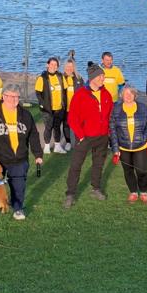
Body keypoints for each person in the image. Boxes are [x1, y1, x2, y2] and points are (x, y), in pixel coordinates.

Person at [0, 83, 43, 222]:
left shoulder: (25, 115)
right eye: (10, 97)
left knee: (19, 185)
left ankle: (18, 208)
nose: (13, 100)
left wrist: (38, 154)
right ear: (3, 96)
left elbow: (33, 135)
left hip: (18, 158)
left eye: (16, 97)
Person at [65, 63, 114, 207]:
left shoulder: (106, 94)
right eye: (100, 76)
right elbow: (72, 118)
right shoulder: (80, 94)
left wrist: (109, 132)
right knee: (76, 165)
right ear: (92, 78)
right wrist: (80, 136)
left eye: (103, 76)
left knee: (98, 164)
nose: (102, 78)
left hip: (102, 136)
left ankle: (96, 188)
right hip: (85, 136)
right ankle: (70, 194)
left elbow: (110, 115)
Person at [109, 85, 147, 202]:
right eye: (125, 94)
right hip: (123, 147)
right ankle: (133, 192)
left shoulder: (143, 108)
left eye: (131, 94)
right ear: (122, 96)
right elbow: (112, 129)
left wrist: (144, 137)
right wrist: (115, 148)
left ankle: (143, 192)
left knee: (141, 171)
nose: (128, 96)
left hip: (140, 146)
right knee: (128, 171)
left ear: (135, 95)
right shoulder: (117, 109)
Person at [34, 57, 68, 155]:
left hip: (59, 108)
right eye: (51, 64)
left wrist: (64, 105)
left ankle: (57, 146)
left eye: (55, 65)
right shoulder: (42, 78)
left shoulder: (60, 77)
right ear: (47, 65)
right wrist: (42, 105)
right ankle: (47, 146)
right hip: (47, 109)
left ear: (57, 67)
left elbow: (64, 91)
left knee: (57, 127)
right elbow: (38, 93)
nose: (53, 66)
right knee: (48, 127)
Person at [61, 57, 84, 151]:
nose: (69, 69)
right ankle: (68, 142)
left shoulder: (79, 78)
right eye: (67, 67)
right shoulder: (61, 77)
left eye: (71, 67)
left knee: (77, 125)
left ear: (74, 67)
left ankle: (78, 142)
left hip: (76, 107)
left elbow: (83, 92)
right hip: (65, 106)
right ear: (64, 67)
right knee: (66, 124)